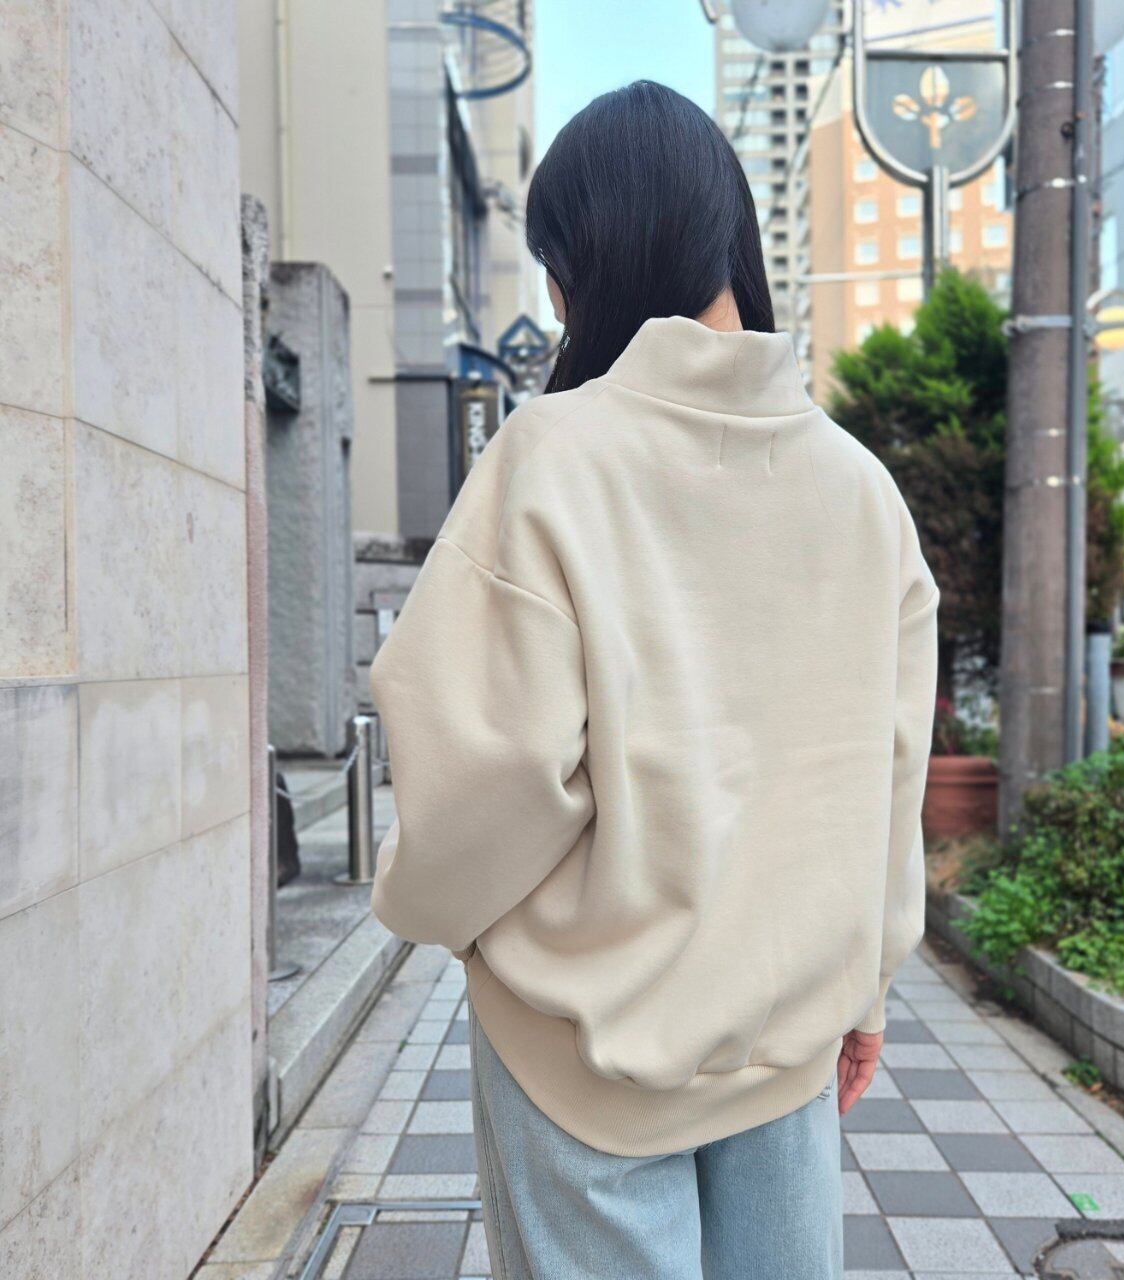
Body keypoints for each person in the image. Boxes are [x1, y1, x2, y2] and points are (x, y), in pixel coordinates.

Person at [370, 80, 938, 1280]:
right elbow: (890, 776)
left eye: (554, 268)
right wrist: (867, 989)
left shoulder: (548, 458)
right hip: (784, 1040)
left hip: (585, 1047)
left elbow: (487, 776)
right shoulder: (859, 491)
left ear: (590, 261)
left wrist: (426, 906)